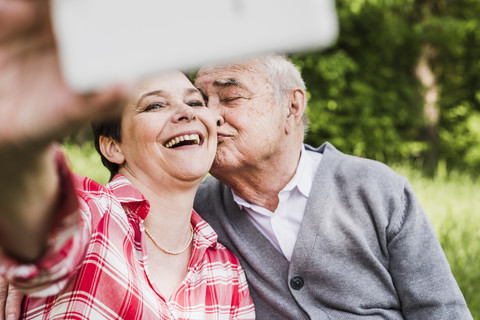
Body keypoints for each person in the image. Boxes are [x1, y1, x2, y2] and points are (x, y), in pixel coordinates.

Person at [0, 1, 254, 319]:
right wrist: (21, 142)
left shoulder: (226, 271)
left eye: (194, 101)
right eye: (154, 106)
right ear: (113, 147)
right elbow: (33, 215)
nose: (187, 112)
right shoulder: (91, 213)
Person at [192, 55, 474, 319]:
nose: (209, 115)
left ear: (292, 108)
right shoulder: (193, 212)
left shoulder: (376, 189)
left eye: (230, 97)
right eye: (200, 102)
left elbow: (440, 310)